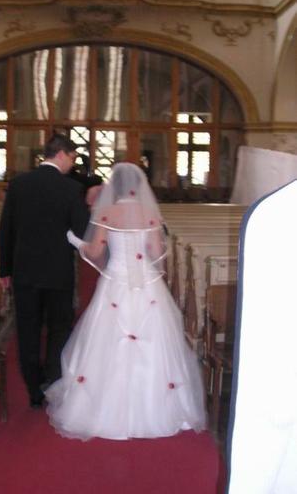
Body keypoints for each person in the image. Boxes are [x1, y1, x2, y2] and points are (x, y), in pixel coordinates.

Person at [45, 162, 207, 440]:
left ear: (114, 187)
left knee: (105, 341)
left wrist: (75, 241)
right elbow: (157, 251)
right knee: (155, 341)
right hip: (148, 284)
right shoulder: (149, 213)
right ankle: (156, 410)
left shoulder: (107, 212)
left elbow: (95, 252)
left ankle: (105, 411)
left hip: (115, 282)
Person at [0, 133, 89, 409]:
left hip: (25, 270)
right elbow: (81, 231)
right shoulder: (71, 188)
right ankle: (53, 380)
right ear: (60, 154)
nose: (73, 163)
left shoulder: (19, 184)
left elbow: (6, 229)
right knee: (59, 327)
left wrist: (5, 269)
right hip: (58, 271)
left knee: (27, 329)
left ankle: (33, 389)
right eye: (72, 157)